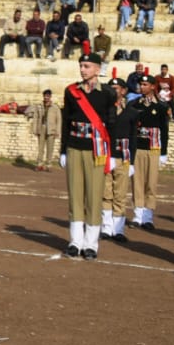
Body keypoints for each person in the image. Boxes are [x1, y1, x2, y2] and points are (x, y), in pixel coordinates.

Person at [60, 53, 117, 260]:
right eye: (81, 66)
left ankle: (91, 244)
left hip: (97, 150)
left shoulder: (108, 93)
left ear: (97, 69)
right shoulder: (71, 91)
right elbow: (66, 121)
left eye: (87, 66)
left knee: (94, 196)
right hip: (75, 146)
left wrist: (114, 155)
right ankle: (75, 241)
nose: (82, 69)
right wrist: (63, 150)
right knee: (75, 195)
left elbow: (112, 125)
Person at [129, 72, 170, 229]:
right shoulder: (135, 105)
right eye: (141, 84)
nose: (142, 87)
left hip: (153, 148)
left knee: (151, 182)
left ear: (153, 87)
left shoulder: (160, 107)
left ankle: (148, 216)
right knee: (137, 181)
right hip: (138, 147)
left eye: (145, 84)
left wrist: (164, 152)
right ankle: (138, 214)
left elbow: (164, 131)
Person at [101, 79, 135, 241]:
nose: (114, 91)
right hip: (107, 156)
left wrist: (133, 162)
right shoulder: (105, 110)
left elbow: (133, 138)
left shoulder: (131, 112)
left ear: (124, 91)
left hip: (123, 157)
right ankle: (106, 227)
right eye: (111, 88)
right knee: (106, 192)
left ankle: (118, 228)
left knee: (120, 193)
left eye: (117, 88)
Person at [25, 90, 61, 171]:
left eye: (48, 96)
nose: (46, 97)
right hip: (41, 128)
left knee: (50, 148)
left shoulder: (55, 107)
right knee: (40, 147)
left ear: (50, 97)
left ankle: (48, 164)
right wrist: (35, 129)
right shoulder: (39, 106)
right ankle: (39, 164)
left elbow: (58, 120)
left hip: (51, 128)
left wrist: (58, 132)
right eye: (45, 96)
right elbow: (36, 118)